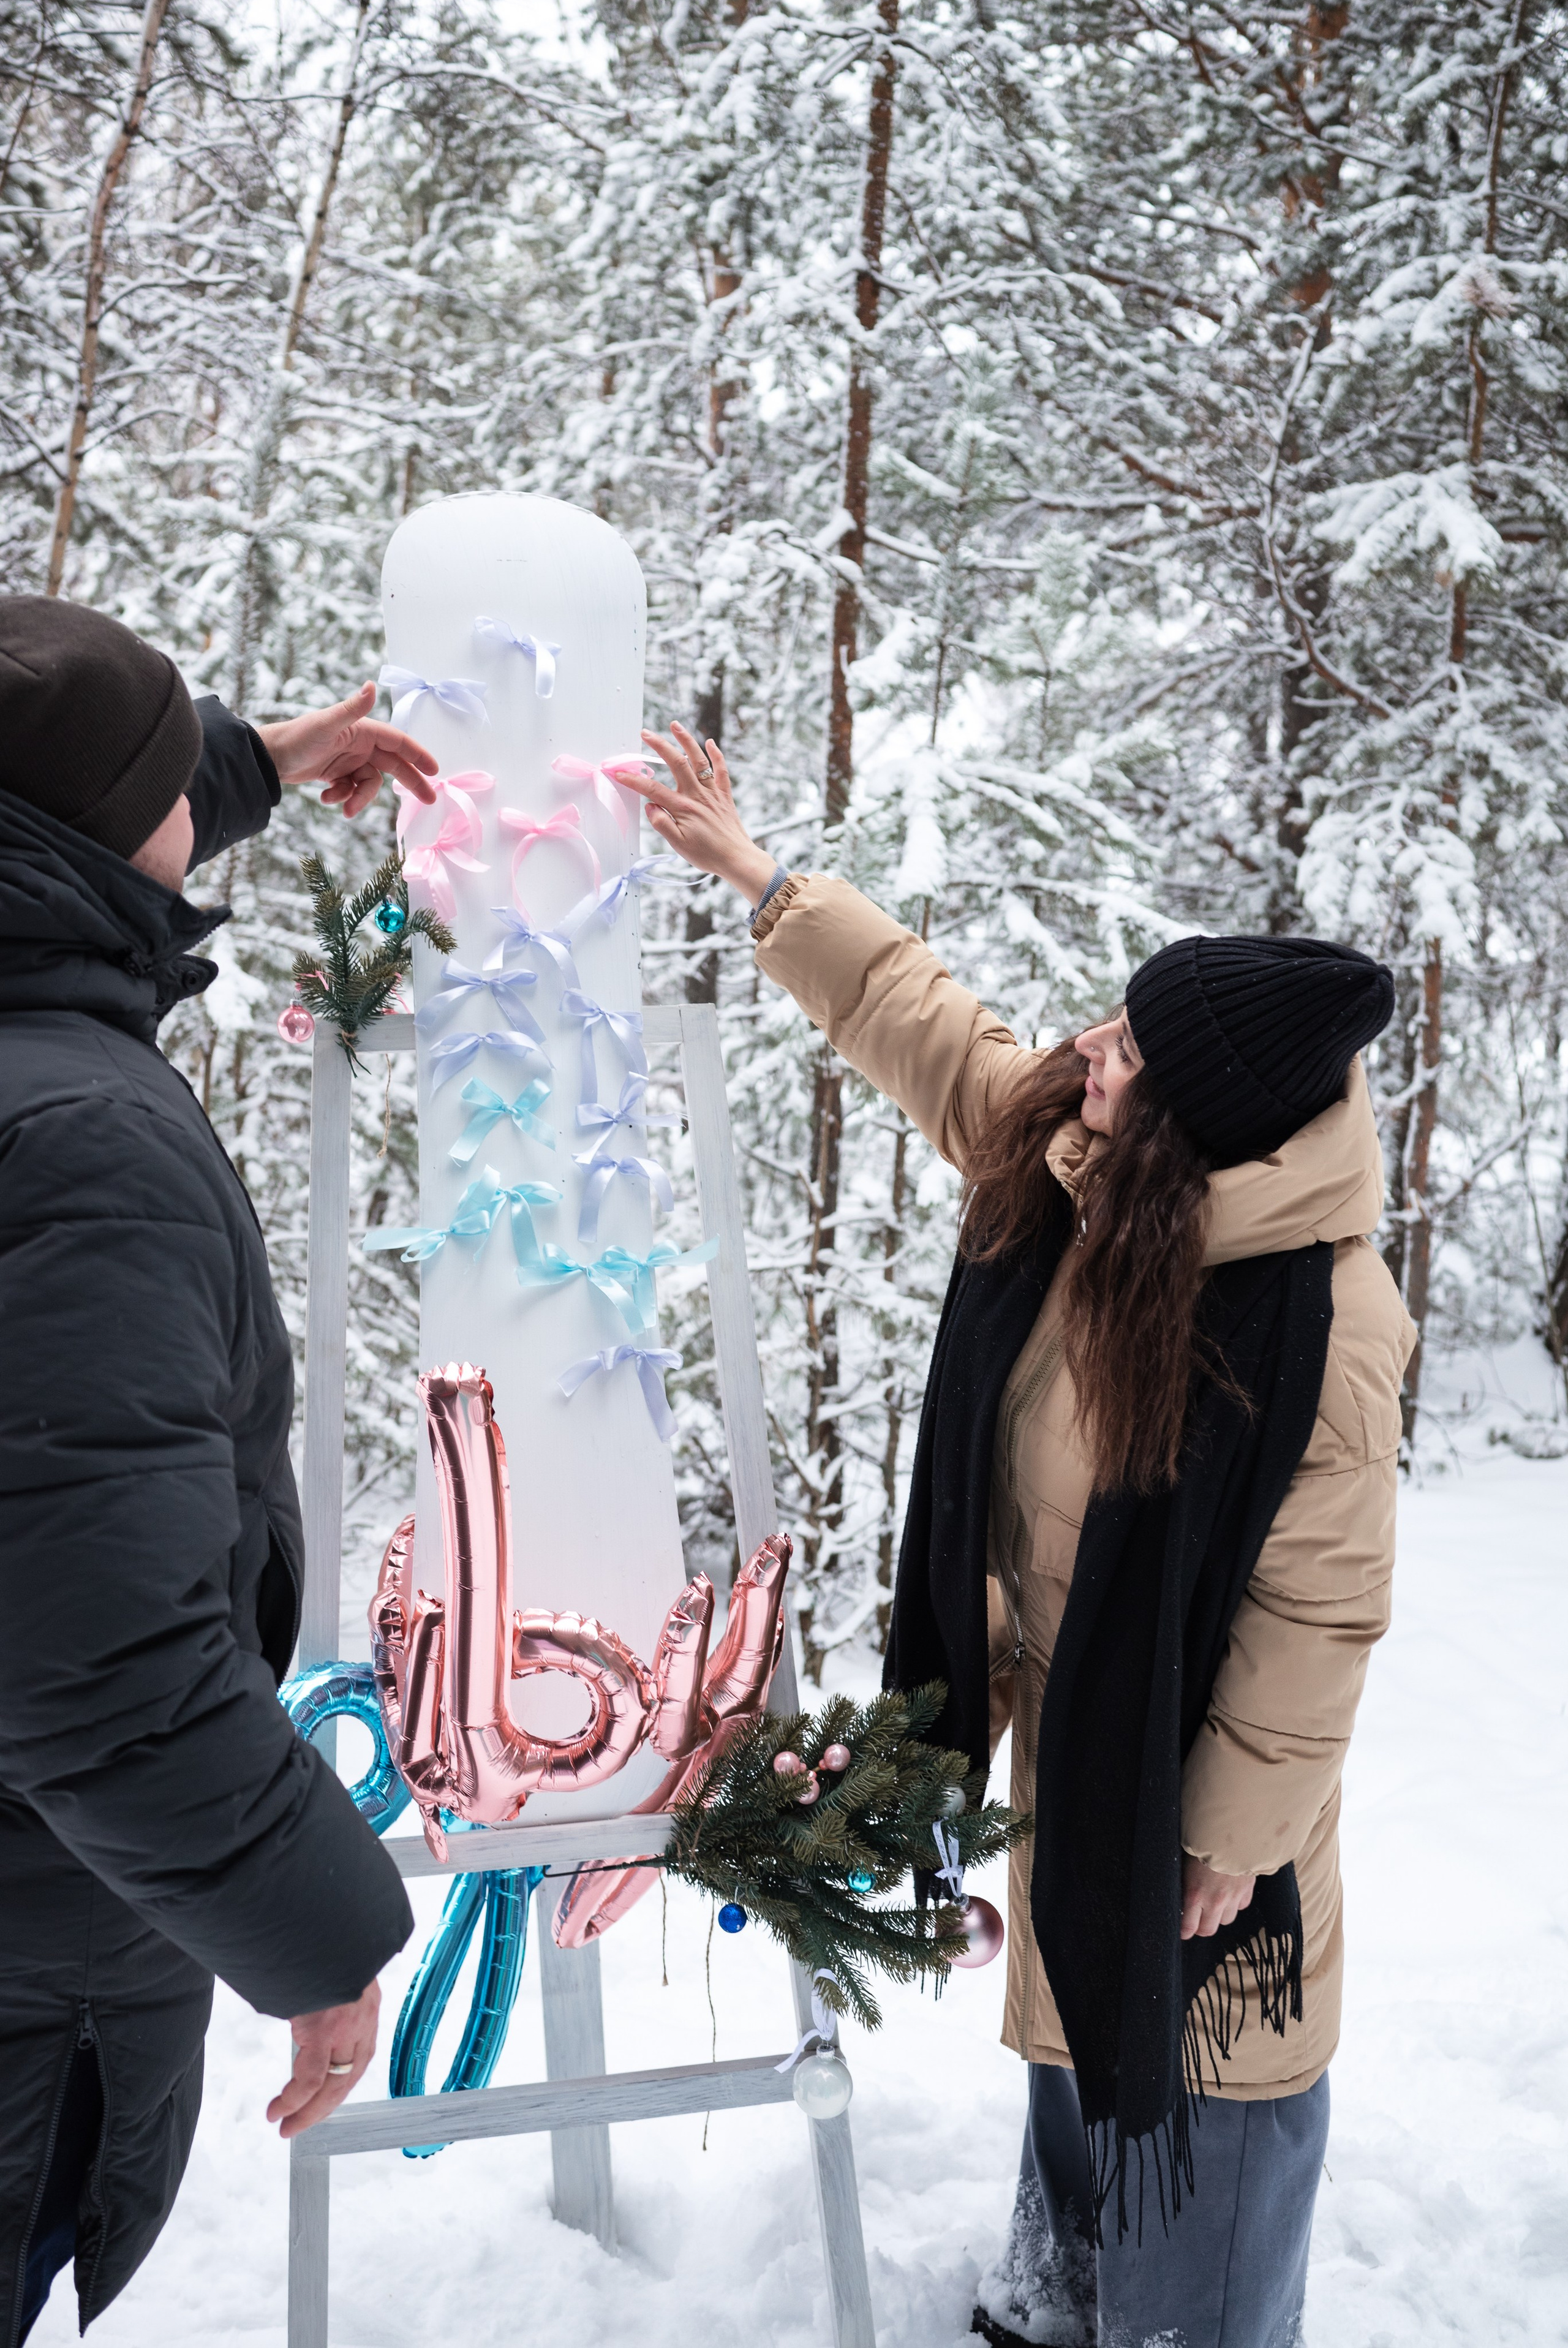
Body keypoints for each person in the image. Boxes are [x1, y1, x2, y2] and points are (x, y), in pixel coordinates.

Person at [626, 721, 1415, 2348]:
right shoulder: (1086, 1168)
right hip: (1077, 1748)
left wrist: (1227, 1837)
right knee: (1078, 2043)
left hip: (1198, 1805)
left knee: (1195, 2101)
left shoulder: (1316, 1322)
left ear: (1201, 1131)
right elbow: (927, 1025)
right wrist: (763, 879)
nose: (1089, 1047)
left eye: (1130, 1048)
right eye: (1116, 1016)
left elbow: (1319, 1614)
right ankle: (1059, 2303)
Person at [0, 597, 442, 2342]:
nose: (200, 793)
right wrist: (320, 1938)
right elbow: (100, 1663)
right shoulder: (83, 1148)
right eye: (176, 775)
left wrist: (251, 762)